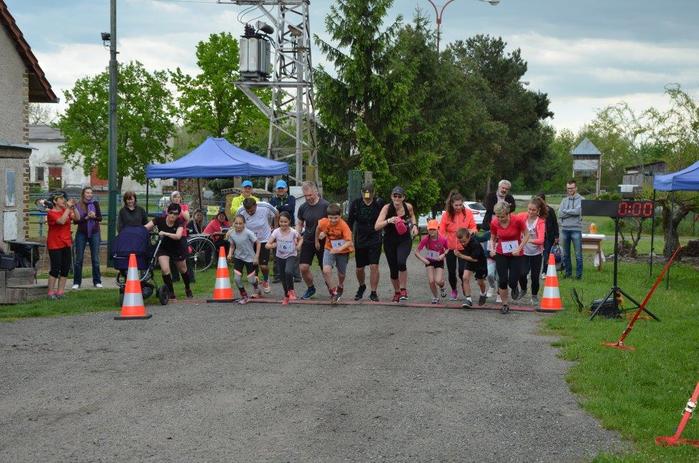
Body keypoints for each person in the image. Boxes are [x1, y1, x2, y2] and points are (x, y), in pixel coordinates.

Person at [375, 186, 419, 302]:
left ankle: (403, 289)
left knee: (401, 262)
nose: (397, 198)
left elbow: (412, 216)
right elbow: (376, 226)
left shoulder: (408, 207)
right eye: (395, 195)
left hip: (404, 239)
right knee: (393, 269)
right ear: (391, 196)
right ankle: (397, 292)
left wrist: (414, 226)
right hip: (389, 241)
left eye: (400, 196)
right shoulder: (386, 208)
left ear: (403, 197)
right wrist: (388, 220)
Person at [145, 203, 193, 299]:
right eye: (171, 213)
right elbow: (146, 227)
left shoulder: (179, 222)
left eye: (176, 214)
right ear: (167, 212)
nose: (173, 215)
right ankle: (171, 292)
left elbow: (178, 236)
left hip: (177, 247)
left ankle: (187, 288)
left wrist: (165, 233)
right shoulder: (159, 219)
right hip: (164, 248)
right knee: (165, 269)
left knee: (183, 270)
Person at [489, 202, 529, 314]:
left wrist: (519, 248)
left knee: (512, 281)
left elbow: (527, 235)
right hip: (501, 253)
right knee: (502, 280)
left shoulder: (517, 220)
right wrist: (492, 249)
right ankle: (505, 304)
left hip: (516, 254)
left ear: (508, 213)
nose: (500, 219)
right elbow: (492, 237)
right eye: (498, 216)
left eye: (502, 216)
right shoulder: (494, 222)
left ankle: (514, 286)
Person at [347, 183, 384, 302]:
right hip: (360, 238)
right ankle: (362, 286)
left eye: (369, 193)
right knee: (359, 268)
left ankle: (373, 292)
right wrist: (349, 239)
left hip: (375, 237)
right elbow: (350, 222)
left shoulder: (379, 203)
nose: (367, 195)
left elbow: (385, 217)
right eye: (364, 193)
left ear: (373, 193)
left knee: (374, 266)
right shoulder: (356, 204)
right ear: (361, 192)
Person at [439, 191, 477, 300]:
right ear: (451, 204)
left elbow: (473, 227)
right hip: (450, 248)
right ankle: (454, 290)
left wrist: (472, 231)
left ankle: (464, 286)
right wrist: (445, 244)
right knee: (451, 272)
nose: (458, 207)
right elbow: (441, 231)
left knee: (462, 271)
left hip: (464, 247)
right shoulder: (446, 215)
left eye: (460, 205)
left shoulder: (468, 213)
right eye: (456, 205)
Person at [236, 197, 279, 293]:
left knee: (263, 265)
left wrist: (275, 229)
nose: (250, 213)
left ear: (256, 206)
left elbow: (276, 213)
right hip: (250, 241)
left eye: (252, 211)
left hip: (264, 239)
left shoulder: (265, 206)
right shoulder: (240, 210)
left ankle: (266, 280)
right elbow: (238, 222)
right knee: (252, 266)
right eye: (248, 211)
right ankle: (256, 288)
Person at [296, 181, 329, 299]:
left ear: (316, 191)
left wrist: (325, 232)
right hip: (308, 240)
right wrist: (297, 235)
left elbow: (333, 222)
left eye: (310, 195)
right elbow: (299, 223)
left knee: (325, 269)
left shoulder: (325, 205)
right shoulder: (303, 207)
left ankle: (332, 290)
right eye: (305, 196)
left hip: (323, 241)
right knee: (303, 267)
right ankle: (311, 288)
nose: (308, 198)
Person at [315, 203, 353, 303]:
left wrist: (339, 249)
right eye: (330, 218)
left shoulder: (344, 226)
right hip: (329, 248)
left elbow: (349, 242)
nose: (333, 220)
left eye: (335, 218)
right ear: (327, 216)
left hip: (343, 250)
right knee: (326, 270)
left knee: (341, 274)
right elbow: (318, 228)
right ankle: (334, 291)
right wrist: (317, 240)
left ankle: (340, 285)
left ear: (340, 216)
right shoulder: (324, 222)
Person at [46, 192, 80, 299]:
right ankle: (50, 293)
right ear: (55, 201)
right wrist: (68, 209)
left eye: (64, 198)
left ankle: (60, 292)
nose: (64, 200)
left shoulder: (66, 210)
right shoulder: (51, 213)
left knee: (65, 268)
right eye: (60, 198)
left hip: (66, 242)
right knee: (55, 268)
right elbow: (61, 221)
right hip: (54, 243)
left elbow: (77, 218)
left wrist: (74, 208)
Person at [267, 211, 303, 305]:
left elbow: (301, 239)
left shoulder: (293, 232)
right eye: (281, 222)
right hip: (280, 256)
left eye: (285, 222)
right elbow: (268, 244)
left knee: (288, 271)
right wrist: (273, 245)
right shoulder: (276, 232)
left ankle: (291, 290)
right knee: (283, 277)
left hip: (291, 255)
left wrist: (298, 246)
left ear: (289, 221)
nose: (283, 224)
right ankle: (286, 295)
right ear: (278, 222)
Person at [516, 197, 547, 304]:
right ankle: (523, 289)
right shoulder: (521, 216)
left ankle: (534, 295)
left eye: (533, 210)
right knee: (522, 273)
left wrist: (527, 240)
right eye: (529, 209)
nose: (530, 212)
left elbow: (541, 240)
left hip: (536, 254)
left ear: (538, 210)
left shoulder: (541, 222)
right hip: (523, 252)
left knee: (535, 277)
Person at [269, 179, 300, 284]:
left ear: (286, 189)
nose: (281, 190)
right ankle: (277, 275)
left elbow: (290, 209)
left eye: (282, 188)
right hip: (277, 227)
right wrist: (283, 208)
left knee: (294, 250)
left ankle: (296, 275)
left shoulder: (291, 198)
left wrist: (278, 208)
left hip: (290, 227)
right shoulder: (272, 200)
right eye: (279, 188)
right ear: (276, 190)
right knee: (277, 251)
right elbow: (272, 212)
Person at [71, 186, 103, 290]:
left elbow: (100, 218)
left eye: (90, 193)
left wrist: (94, 217)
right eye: (87, 193)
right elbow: (75, 221)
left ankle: (97, 281)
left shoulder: (95, 204)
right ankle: (77, 282)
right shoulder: (78, 204)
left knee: (95, 258)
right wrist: (86, 217)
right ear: (83, 194)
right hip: (81, 233)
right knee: (79, 259)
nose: (89, 194)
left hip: (94, 232)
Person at [227, 214, 261, 304]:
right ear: (233, 223)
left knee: (251, 280)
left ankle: (256, 285)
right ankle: (244, 296)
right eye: (236, 223)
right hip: (238, 257)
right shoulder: (231, 233)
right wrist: (230, 254)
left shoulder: (248, 233)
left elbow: (258, 243)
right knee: (237, 279)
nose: (238, 225)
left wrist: (256, 256)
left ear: (244, 224)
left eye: (240, 223)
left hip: (250, 258)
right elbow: (232, 245)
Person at [414, 219, 448, 304]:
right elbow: (416, 252)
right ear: (427, 229)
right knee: (431, 281)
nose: (432, 231)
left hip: (439, 260)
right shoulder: (425, 239)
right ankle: (435, 297)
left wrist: (443, 255)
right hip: (429, 261)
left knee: (438, 280)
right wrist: (424, 260)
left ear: (438, 229)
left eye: (434, 229)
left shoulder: (443, 239)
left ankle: (442, 286)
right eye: (430, 229)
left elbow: (448, 249)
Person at [454, 228, 488, 308]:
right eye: (460, 242)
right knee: (465, 278)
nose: (463, 244)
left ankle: (483, 294)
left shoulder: (475, 244)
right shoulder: (465, 240)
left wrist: (460, 255)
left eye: (464, 241)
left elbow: (474, 259)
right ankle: (468, 299)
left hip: (480, 263)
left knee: (480, 282)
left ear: (469, 237)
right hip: (470, 261)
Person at [558, 179, 584, 279]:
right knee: (566, 254)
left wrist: (566, 211)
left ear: (576, 188)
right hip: (565, 229)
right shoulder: (564, 200)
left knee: (578, 254)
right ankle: (568, 273)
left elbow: (578, 211)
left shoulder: (582, 199)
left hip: (576, 229)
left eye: (572, 188)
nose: (570, 190)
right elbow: (560, 214)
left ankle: (578, 276)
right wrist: (571, 212)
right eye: (568, 188)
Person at [537, 193, 559, 279]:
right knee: (537, 255)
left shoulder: (550, 210)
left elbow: (555, 223)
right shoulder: (535, 211)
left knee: (546, 254)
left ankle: (544, 271)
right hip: (537, 236)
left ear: (543, 200)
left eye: (540, 200)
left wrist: (556, 236)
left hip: (548, 236)